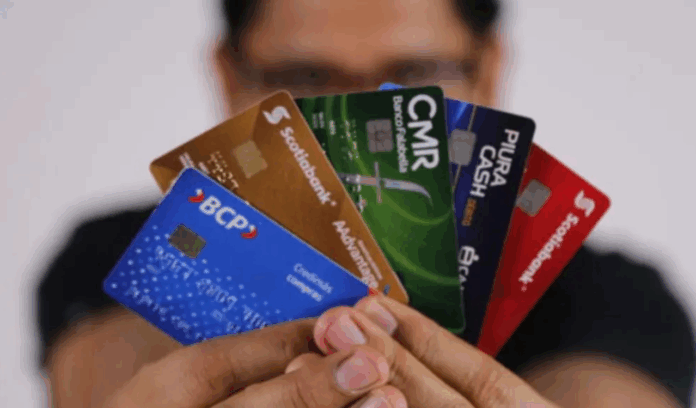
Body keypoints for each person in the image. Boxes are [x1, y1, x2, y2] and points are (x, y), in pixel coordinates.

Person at [37, 0, 695, 407]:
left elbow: (607, 393)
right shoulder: (117, 249)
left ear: (489, 70)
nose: (364, 116)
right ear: (229, 76)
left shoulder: (609, 293)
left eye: (414, 73)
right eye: (305, 77)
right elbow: (107, 368)